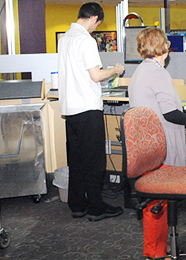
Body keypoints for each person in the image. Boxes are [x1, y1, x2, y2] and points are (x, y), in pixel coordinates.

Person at [127, 27, 186, 258]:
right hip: (161, 147)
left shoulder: (141, 71)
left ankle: (160, 248)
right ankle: (156, 253)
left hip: (149, 149)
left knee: (157, 202)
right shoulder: (158, 73)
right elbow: (169, 113)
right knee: (159, 202)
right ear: (164, 48)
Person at [57, 2, 124, 222]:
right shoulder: (86, 40)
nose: (96, 29)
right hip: (87, 108)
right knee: (95, 160)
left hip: (71, 110)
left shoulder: (64, 38)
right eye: (97, 24)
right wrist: (114, 70)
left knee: (76, 160)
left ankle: (77, 205)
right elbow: (95, 75)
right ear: (94, 18)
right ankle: (96, 208)